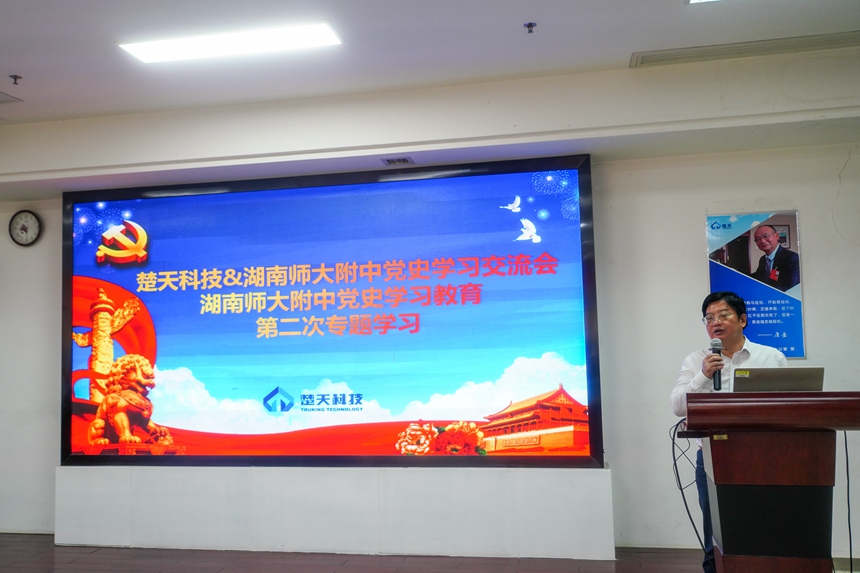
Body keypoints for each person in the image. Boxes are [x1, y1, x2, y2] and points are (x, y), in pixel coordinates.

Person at [670, 291, 786, 573]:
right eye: (709, 318)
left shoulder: (771, 357)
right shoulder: (695, 360)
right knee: (716, 534)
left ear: (742, 320)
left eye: (723, 315)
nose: (716, 322)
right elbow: (677, 406)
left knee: (763, 527)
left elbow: (787, 405)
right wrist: (703, 376)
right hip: (712, 456)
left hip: (762, 455)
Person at [750, 224, 800, 292]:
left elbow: (792, 286)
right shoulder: (763, 259)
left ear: (776, 236)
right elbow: (759, 276)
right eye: (758, 239)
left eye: (765, 236)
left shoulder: (792, 258)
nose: (762, 241)